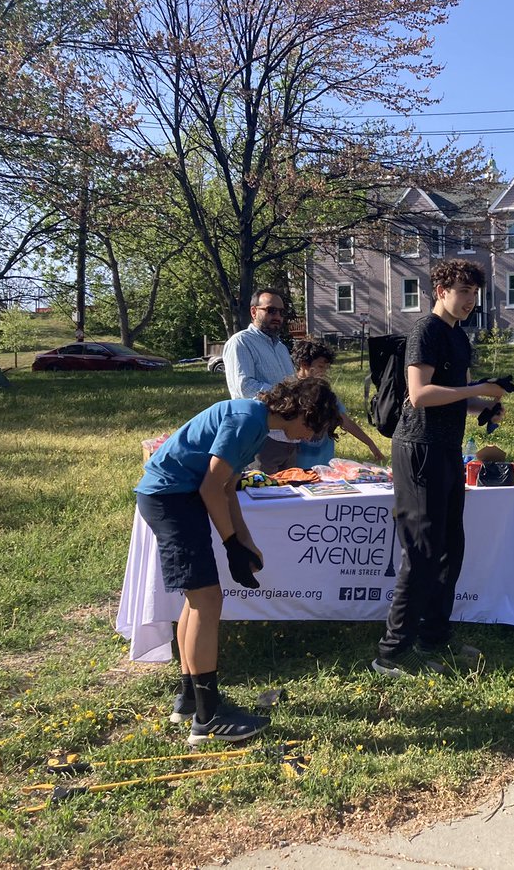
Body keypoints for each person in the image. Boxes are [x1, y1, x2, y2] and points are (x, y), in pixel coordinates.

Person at [136, 376, 340, 744]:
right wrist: (230, 544)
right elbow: (209, 487)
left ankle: (189, 699)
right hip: (170, 498)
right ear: (302, 411)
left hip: (176, 496)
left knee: (198, 599)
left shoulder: (256, 422)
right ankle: (208, 717)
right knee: (207, 599)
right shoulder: (248, 420)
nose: (312, 437)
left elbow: (228, 487)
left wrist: (244, 541)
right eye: (315, 427)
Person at [371, 260, 510, 678]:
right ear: (440, 290)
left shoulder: (458, 337)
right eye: (463, 291)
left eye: (475, 293)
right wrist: (478, 389)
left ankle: (435, 634)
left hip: (448, 449)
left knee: (451, 547)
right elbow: (420, 395)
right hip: (418, 449)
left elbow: (454, 396)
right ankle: (392, 651)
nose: (470, 301)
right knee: (422, 551)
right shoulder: (426, 331)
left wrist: (485, 405)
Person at [222, 288, 299, 473]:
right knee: (263, 497)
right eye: (271, 310)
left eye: (281, 312)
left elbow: (293, 384)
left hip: (289, 437)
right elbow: (245, 388)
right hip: (261, 438)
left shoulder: (281, 348)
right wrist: (288, 396)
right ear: (254, 311)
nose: (278, 316)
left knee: (291, 498)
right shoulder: (240, 342)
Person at [289, 339, 385, 469]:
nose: (324, 372)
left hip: (324, 465)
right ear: (303, 364)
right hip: (296, 467)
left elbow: (344, 420)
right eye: (321, 367)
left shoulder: (325, 393)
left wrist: (370, 443)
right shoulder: (290, 393)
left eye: (327, 368)